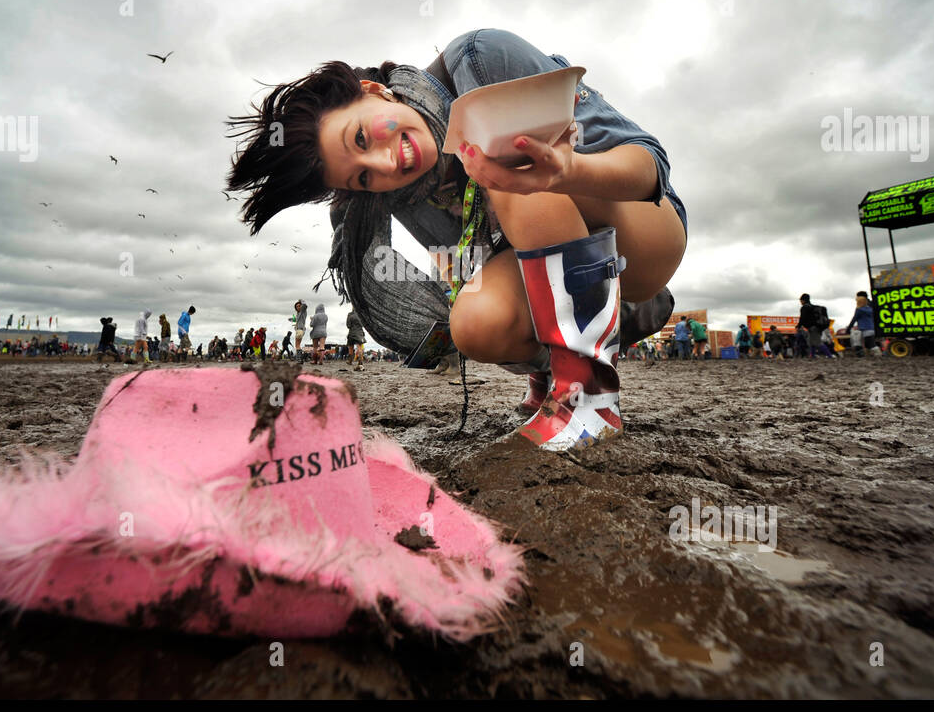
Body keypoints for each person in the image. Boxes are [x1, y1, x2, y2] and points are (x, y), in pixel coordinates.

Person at [225, 28, 685, 452]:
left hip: (641, 230)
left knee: (500, 157)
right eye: (363, 177)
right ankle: (556, 373)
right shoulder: (399, 190)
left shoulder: (480, 62)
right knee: (475, 321)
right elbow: (470, 267)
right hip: (548, 266)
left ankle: (592, 395)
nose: (386, 165)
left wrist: (569, 170)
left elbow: (651, 165)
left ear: (372, 91)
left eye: (363, 136)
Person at [797, 294, 828, 359]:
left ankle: (829, 355)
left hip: (813, 327)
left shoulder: (805, 308)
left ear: (803, 300)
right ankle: (813, 356)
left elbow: (802, 318)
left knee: (817, 342)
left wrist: (798, 325)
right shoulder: (813, 307)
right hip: (817, 327)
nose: (800, 302)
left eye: (801, 300)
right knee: (812, 343)